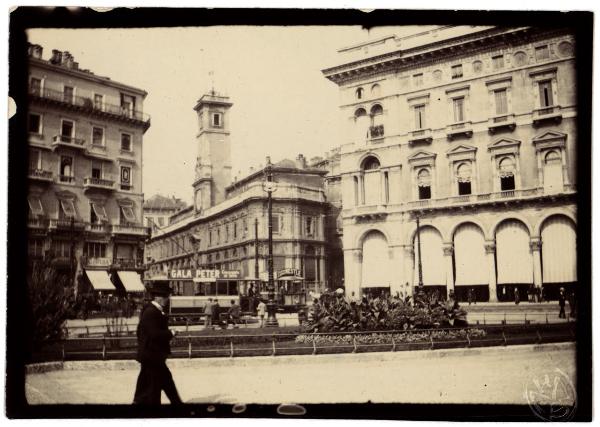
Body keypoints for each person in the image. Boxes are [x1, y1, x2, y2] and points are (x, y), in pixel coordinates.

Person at [133, 281, 182, 405]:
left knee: (161, 382)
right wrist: (171, 333)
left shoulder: (153, 310)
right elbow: (154, 334)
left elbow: (140, 332)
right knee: (154, 387)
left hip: (152, 355)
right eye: (166, 296)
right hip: (152, 356)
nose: (168, 299)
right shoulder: (151, 312)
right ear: (158, 297)